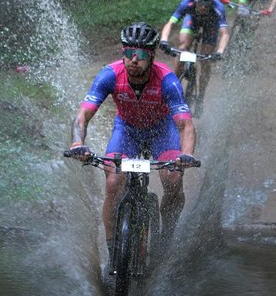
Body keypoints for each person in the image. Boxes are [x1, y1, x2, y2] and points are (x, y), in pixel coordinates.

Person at [67, 22, 198, 264]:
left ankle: (166, 234)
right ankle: (113, 252)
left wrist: (186, 155)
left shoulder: (168, 80)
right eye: (128, 53)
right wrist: (77, 143)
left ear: (152, 56)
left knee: (173, 178)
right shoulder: (109, 74)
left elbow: (185, 125)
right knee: (114, 182)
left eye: (140, 55)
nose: (133, 60)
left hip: (162, 130)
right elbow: (82, 115)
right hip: (126, 130)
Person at [159, 0, 229, 116]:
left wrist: (220, 51)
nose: (203, 7)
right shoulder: (188, 2)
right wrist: (164, 39)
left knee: (206, 58)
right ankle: (174, 84)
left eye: (206, 4)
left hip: (211, 25)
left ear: (211, 3)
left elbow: (224, 33)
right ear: (196, 0)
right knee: (183, 48)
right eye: (200, 3)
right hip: (192, 21)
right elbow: (171, 23)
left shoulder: (218, 8)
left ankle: (201, 97)